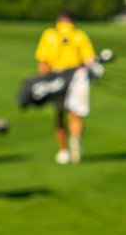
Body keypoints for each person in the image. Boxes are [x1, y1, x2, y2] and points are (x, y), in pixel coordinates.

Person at [34, 11, 97, 163]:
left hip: (57, 78)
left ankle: (63, 151)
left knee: (60, 114)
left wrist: (41, 81)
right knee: (75, 113)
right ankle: (75, 139)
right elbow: (90, 61)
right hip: (77, 77)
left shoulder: (49, 35)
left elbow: (43, 62)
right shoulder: (79, 35)